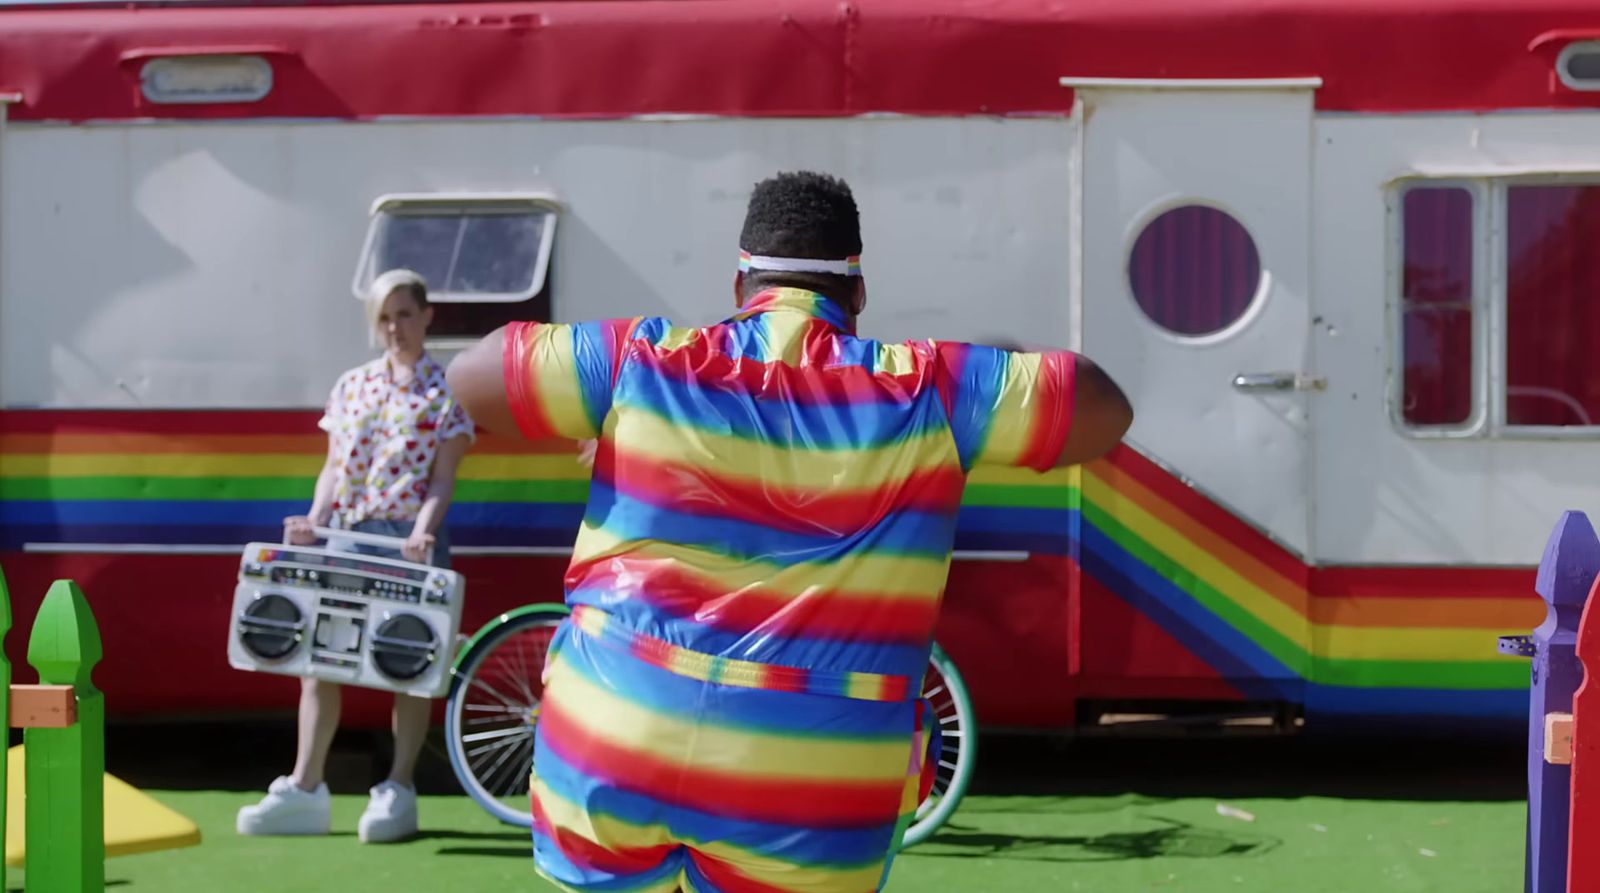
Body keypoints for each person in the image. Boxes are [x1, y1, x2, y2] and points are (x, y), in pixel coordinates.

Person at [446, 171, 1132, 892]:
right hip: (817, 784)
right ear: (858, 295)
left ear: (738, 284)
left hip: (613, 735)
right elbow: (1102, 405)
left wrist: (613, 420)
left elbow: (471, 375)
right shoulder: (931, 390)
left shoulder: (640, 361)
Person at [238, 268, 476, 844]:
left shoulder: (448, 392)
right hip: (346, 531)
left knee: (409, 665)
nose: (394, 327)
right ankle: (306, 785)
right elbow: (333, 466)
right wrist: (316, 519)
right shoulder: (352, 385)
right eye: (385, 316)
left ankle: (398, 786)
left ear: (426, 316)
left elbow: (443, 479)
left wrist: (424, 530)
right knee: (318, 659)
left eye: (404, 314)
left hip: (406, 537)